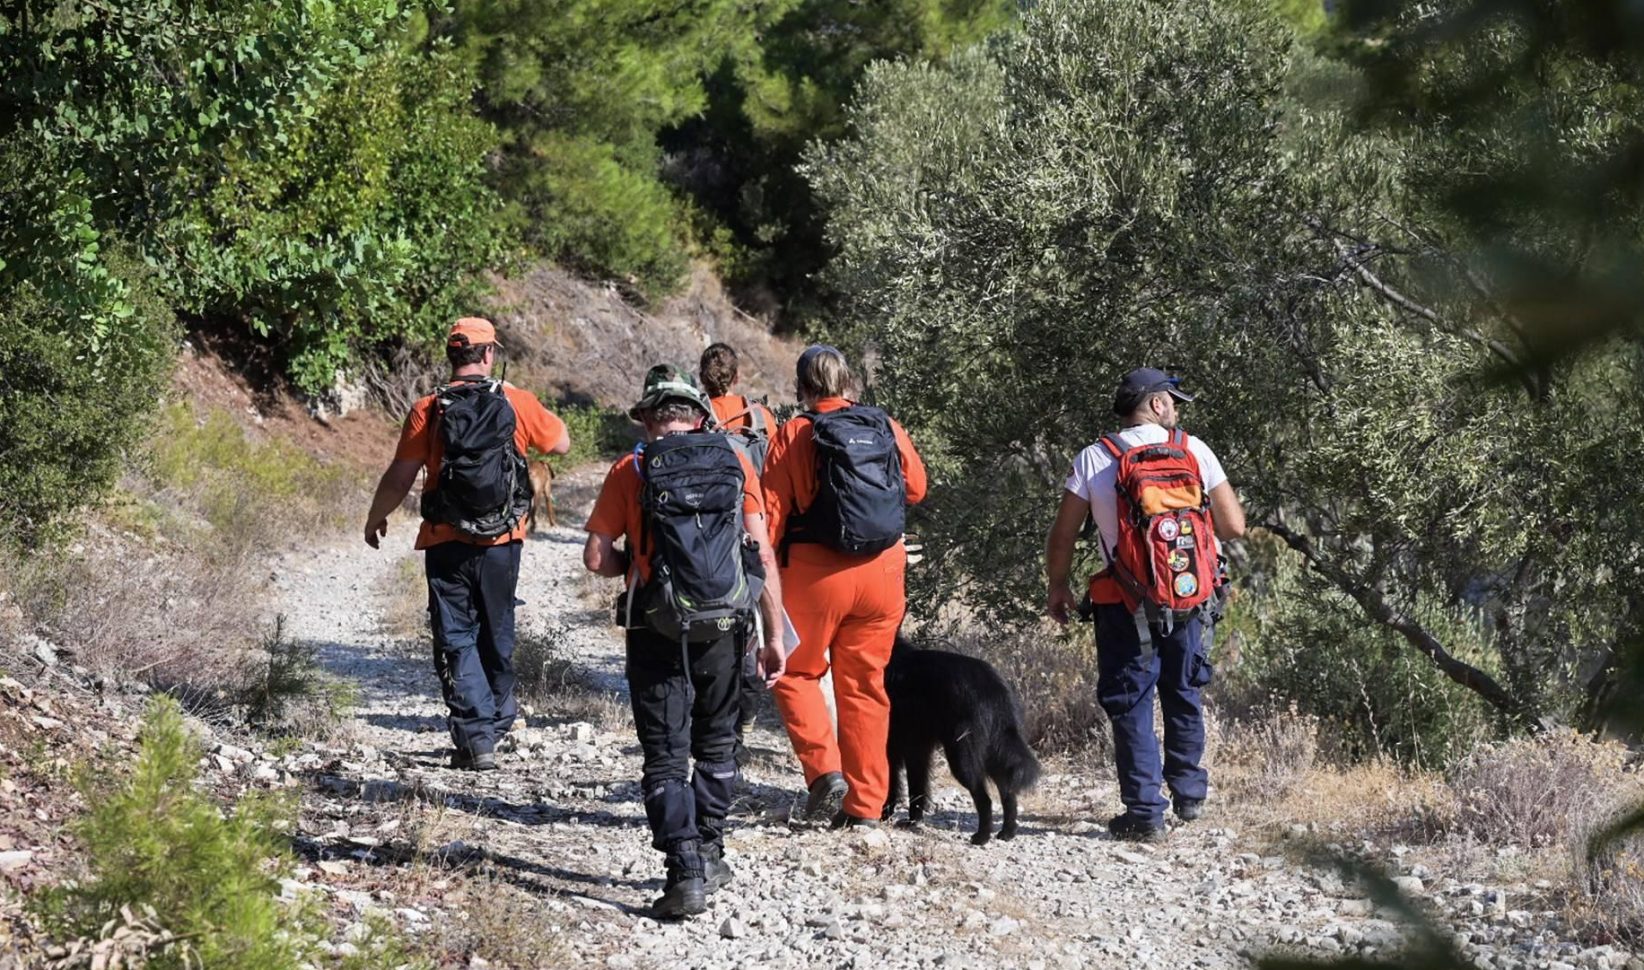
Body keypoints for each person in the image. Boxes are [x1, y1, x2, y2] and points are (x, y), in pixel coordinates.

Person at [583, 364, 787, 919]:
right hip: (726, 625)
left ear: (649, 418)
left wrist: (638, 568)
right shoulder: (735, 460)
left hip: (656, 626)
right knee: (718, 745)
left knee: (666, 754)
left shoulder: (632, 467)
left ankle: (685, 872)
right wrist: (773, 635)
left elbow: (596, 557)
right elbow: (761, 555)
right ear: (700, 417)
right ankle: (712, 847)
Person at [1044, 367, 1246, 842]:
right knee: (1183, 690)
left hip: (1123, 601)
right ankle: (1190, 795)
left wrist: (1058, 585)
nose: (1176, 409)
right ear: (1156, 404)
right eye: (1173, 400)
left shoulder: (1095, 458)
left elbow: (1064, 535)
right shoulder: (1194, 450)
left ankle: (1144, 814)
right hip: (1190, 598)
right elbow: (1234, 525)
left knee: (1131, 702)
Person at [363, 317, 570, 771]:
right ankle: (494, 723)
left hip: (445, 539)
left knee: (456, 637)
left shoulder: (429, 407)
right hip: (502, 540)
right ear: (490, 354)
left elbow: (401, 474)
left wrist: (376, 517)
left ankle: (476, 736)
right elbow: (561, 443)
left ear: (451, 355)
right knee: (497, 633)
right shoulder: (514, 400)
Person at [761, 345, 928, 829]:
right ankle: (867, 807)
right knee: (865, 687)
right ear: (849, 383)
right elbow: (916, 489)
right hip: (882, 574)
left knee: (795, 672)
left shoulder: (795, 433)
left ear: (802, 389)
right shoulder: (884, 426)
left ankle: (825, 773)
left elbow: (770, 519)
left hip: (816, 575)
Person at [698, 341, 779, 766]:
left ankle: (714, 721)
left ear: (702, 378)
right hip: (755, 533)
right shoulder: (761, 417)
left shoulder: (694, 416)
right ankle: (742, 724)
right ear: (738, 375)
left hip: (708, 540)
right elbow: (780, 475)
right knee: (753, 637)